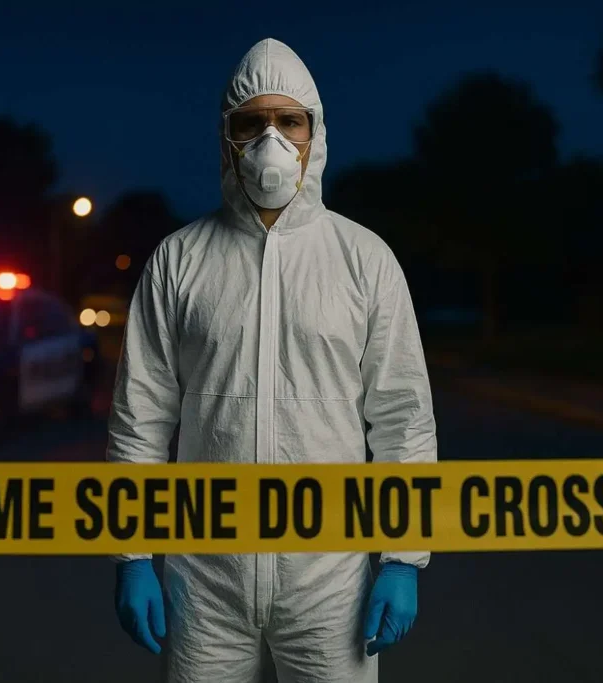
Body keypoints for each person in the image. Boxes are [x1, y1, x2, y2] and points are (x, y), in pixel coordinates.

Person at [108, 37, 438, 683]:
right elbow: (140, 417)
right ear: (225, 137)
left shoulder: (364, 260)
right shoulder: (178, 261)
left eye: (290, 121)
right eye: (251, 123)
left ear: (316, 134)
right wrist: (133, 554)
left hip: (331, 579)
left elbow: (402, 417)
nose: (272, 140)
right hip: (204, 579)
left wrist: (403, 558)